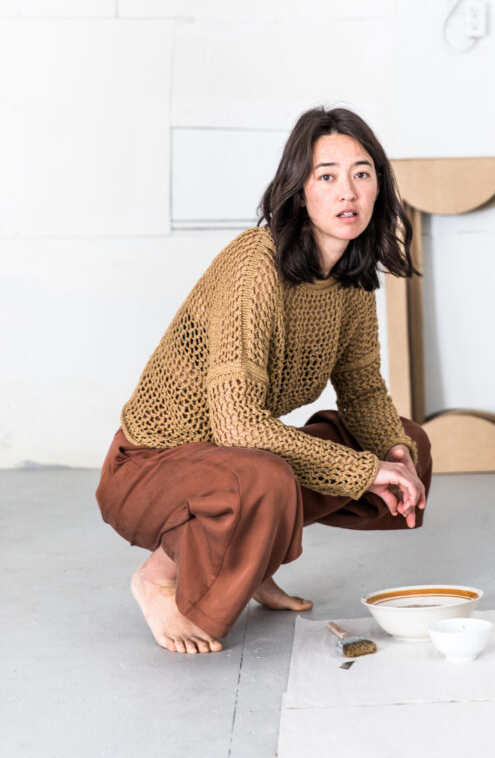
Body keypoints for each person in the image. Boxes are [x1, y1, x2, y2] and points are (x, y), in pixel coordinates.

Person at [96, 106, 431, 655]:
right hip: (148, 465)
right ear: (301, 191)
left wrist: (390, 452)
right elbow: (237, 425)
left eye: (362, 173)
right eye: (327, 176)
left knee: (407, 442)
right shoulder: (258, 262)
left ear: (379, 188)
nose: (347, 191)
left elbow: (365, 392)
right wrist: (364, 469)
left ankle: (251, 564)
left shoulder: (350, 281)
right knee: (265, 476)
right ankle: (158, 577)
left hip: (230, 460)